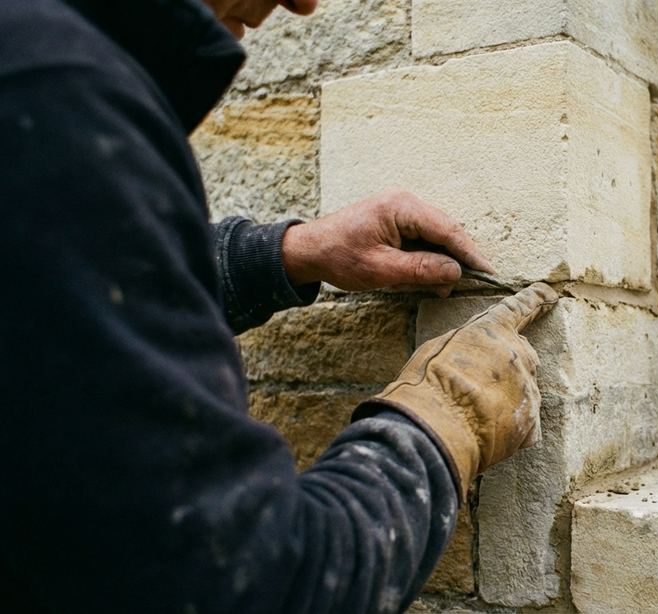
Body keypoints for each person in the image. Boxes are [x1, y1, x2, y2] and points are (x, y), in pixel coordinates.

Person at [0, 0, 557, 612]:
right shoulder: (50, 94)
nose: (304, 3)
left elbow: (59, 280)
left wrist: (286, 254)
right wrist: (451, 414)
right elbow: (252, 580)